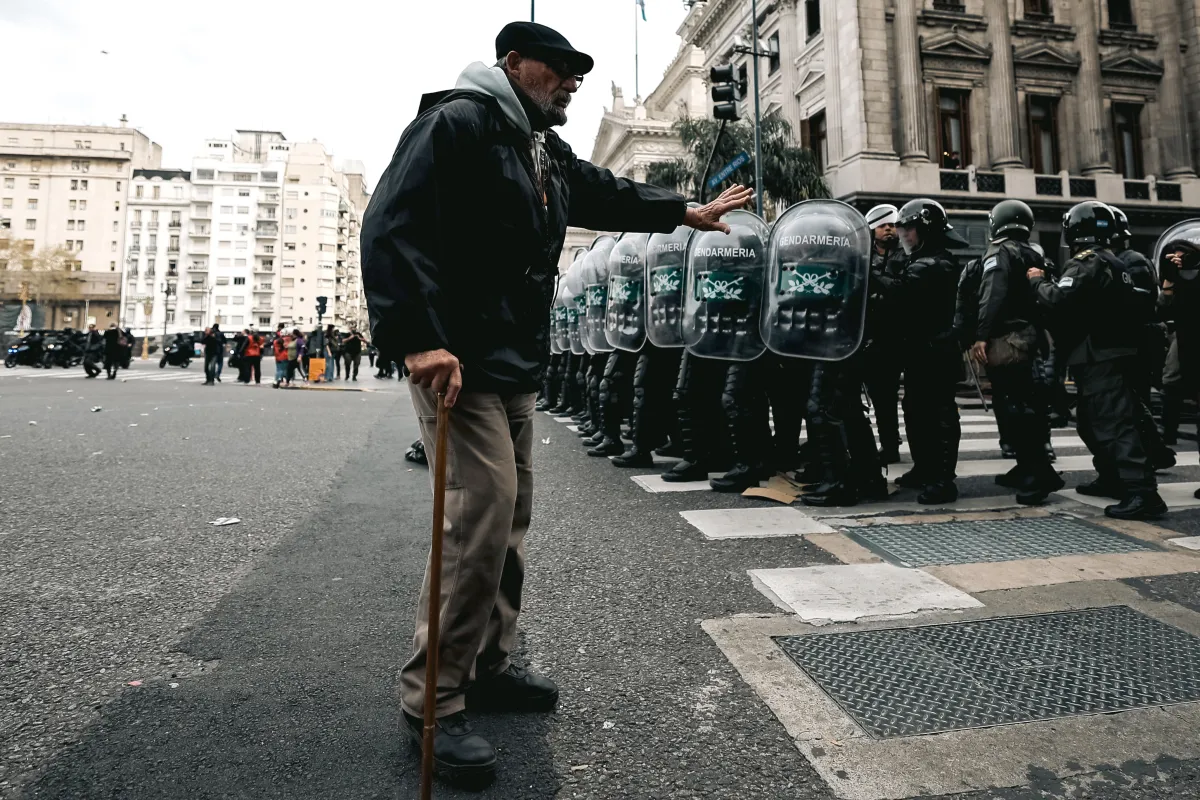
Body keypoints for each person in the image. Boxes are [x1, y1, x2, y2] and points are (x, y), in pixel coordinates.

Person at [361, 20, 752, 785]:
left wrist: (681, 212)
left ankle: (492, 665)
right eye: (559, 68)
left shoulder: (539, 144)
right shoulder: (460, 122)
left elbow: (603, 190)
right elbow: (390, 225)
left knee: (509, 520)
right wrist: (417, 338)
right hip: (460, 363)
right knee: (479, 520)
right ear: (515, 64)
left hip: (511, 363)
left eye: (579, 72)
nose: (571, 81)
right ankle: (433, 700)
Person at [1028, 201, 1166, 519]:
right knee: (1093, 423)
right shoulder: (1114, 262)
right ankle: (1114, 479)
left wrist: (1037, 280)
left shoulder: (1086, 263)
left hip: (1100, 355)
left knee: (1116, 425)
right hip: (1108, 354)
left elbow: (1058, 299)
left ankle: (1143, 494)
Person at [970, 200, 1062, 505]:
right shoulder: (1036, 252)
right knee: (1027, 403)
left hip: (1007, 339)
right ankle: (1026, 467)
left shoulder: (1000, 251)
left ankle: (1039, 473)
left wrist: (980, 335)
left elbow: (991, 294)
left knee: (1015, 407)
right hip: (1032, 337)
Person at [893, 199, 965, 504]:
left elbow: (899, 289)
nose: (904, 236)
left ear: (926, 231)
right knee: (915, 409)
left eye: (909, 230)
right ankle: (924, 468)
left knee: (939, 413)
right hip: (919, 351)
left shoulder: (937, 263)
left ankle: (943, 479)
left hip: (937, 352)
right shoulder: (917, 260)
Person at [862, 204, 906, 464]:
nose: (888, 229)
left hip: (895, 334)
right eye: (882, 225)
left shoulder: (905, 256)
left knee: (890, 396)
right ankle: (884, 444)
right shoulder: (864, 256)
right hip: (868, 336)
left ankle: (892, 444)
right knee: (879, 395)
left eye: (892, 225)